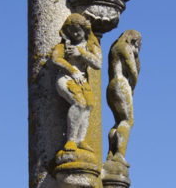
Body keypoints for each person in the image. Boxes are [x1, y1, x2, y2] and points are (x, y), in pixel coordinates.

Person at [51, 14, 102, 152]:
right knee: (79, 103)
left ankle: (80, 139)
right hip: (66, 78)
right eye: (71, 31)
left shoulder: (90, 45)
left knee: (89, 105)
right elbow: (55, 59)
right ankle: (71, 140)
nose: (74, 34)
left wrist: (81, 53)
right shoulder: (65, 45)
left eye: (77, 30)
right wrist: (72, 70)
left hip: (82, 80)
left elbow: (98, 64)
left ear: (84, 30)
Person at [106, 29, 142, 166]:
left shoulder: (114, 47)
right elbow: (133, 72)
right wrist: (132, 88)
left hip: (111, 87)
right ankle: (119, 154)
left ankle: (111, 153)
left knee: (118, 122)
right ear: (135, 41)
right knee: (128, 120)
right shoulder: (125, 47)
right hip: (121, 84)